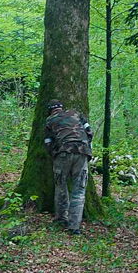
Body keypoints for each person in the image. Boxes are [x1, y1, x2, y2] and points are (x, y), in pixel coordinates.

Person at [44, 99, 93, 235]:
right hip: (82, 152)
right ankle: (74, 227)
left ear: (50, 110)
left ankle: (61, 218)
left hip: (63, 153)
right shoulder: (76, 114)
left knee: (61, 185)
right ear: (61, 107)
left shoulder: (50, 120)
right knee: (79, 190)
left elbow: (47, 142)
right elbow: (89, 131)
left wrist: (54, 153)